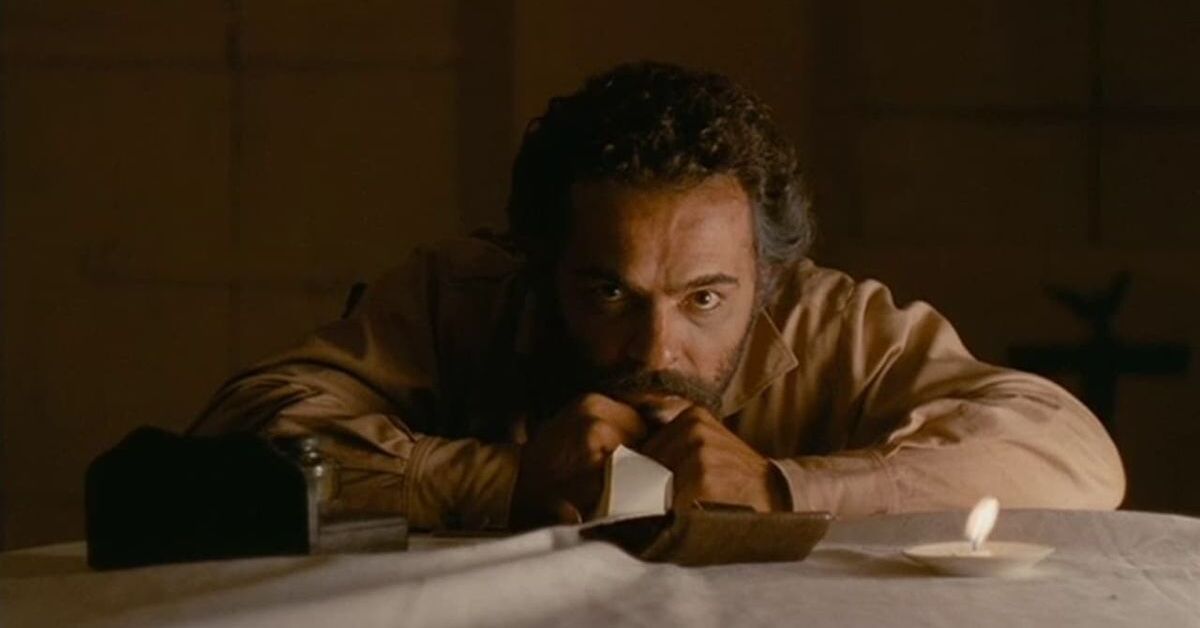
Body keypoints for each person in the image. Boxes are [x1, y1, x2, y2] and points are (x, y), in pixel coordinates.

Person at [189, 61, 1125, 530]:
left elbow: (1074, 458)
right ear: (537, 265)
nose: (655, 351)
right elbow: (237, 436)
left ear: (767, 276)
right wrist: (507, 479)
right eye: (608, 291)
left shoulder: (831, 322)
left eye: (706, 299)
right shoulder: (460, 297)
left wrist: (783, 487)